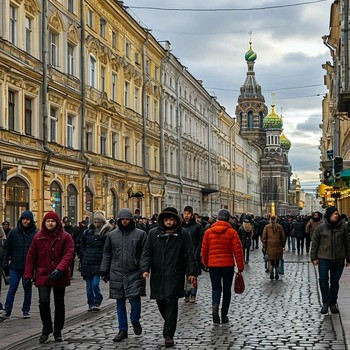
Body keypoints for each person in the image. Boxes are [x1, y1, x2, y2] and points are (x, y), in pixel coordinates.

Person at [140, 207, 197, 348]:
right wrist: (145, 268)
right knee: (160, 300)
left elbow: (190, 255)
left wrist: (192, 272)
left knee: (171, 301)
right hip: (158, 274)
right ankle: (170, 322)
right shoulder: (153, 234)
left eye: (171, 219)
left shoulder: (183, 234)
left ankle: (169, 334)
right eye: (166, 220)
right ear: (162, 221)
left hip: (175, 273)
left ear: (176, 220)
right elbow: (147, 253)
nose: (169, 222)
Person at [23, 211, 74, 343]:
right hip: (43, 274)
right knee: (44, 301)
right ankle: (47, 328)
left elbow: (69, 254)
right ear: (44, 223)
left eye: (52, 221)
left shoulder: (65, 237)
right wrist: (28, 275)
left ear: (57, 223)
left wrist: (60, 269)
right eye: (48, 221)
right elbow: (31, 257)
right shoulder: (38, 237)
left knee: (59, 303)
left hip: (59, 275)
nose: (50, 223)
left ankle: (58, 331)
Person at [100, 208, 147, 343]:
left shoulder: (141, 234)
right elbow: (107, 253)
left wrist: (144, 268)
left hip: (134, 271)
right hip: (117, 271)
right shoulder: (112, 235)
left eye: (127, 219)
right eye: (123, 219)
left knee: (134, 299)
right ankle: (122, 330)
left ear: (131, 220)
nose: (125, 221)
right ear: (119, 220)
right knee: (119, 302)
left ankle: (135, 320)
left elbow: (145, 253)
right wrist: (104, 270)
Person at [201, 209, 244, 325]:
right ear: (228, 219)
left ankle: (215, 304)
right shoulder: (232, 232)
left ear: (217, 219)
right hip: (227, 265)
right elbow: (238, 251)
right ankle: (224, 315)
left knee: (215, 288)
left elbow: (204, 250)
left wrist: (205, 263)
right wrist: (240, 267)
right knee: (226, 290)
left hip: (213, 265)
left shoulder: (209, 232)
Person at [310, 206, 350, 314]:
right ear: (329, 215)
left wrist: (348, 257)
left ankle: (333, 303)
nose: (336, 215)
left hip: (338, 259)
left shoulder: (343, 228)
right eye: (334, 214)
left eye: (337, 213)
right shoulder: (321, 228)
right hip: (324, 258)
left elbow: (347, 243)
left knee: (334, 282)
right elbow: (315, 243)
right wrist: (313, 257)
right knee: (323, 281)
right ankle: (325, 303)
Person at [1, 210, 38, 319]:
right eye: (23, 219)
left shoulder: (36, 234)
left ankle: (26, 310)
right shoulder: (14, 233)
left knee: (27, 289)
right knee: (12, 288)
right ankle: (7, 310)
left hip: (28, 267)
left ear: (31, 221)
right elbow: (7, 249)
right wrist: (5, 264)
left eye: (27, 219)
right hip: (15, 266)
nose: (25, 221)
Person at [80, 211, 112, 312]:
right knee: (88, 287)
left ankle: (98, 300)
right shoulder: (87, 233)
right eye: (95, 221)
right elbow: (82, 246)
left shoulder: (106, 234)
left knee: (95, 284)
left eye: (99, 222)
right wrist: (84, 254)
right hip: (87, 262)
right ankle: (90, 303)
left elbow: (107, 249)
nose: (97, 223)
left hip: (98, 262)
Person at [182, 205, 204, 303]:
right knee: (186, 275)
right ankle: (187, 292)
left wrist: (198, 253)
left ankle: (193, 294)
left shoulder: (198, 226)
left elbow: (200, 241)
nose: (186, 215)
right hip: (183, 255)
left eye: (188, 213)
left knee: (193, 275)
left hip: (194, 254)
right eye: (185, 213)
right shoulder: (180, 226)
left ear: (192, 214)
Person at [262, 215, 286, 280]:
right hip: (278, 246)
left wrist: (264, 246)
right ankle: (277, 271)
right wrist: (283, 245)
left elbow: (264, 238)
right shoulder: (279, 227)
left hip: (269, 246)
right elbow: (283, 237)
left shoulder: (267, 227)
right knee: (277, 259)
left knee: (271, 259)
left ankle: (271, 268)